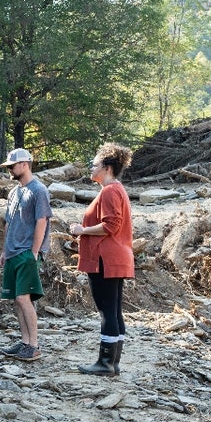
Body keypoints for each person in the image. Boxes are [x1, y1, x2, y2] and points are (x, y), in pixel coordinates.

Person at [69, 143, 134, 376]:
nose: (91, 168)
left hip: (106, 258)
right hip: (117, 256)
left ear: (107, 167)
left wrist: (81, 230)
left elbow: (110, 225)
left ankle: (105, 363)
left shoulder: (109, 191)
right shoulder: (117, 189)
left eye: (94, 164)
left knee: (108, 311)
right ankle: (112, 362)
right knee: (114, 311)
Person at [0, 148, 52, 361]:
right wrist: (4, 249)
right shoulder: (14, 192)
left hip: (26, 252)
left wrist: (34, 252)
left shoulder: (38, 190)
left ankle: (34, 346)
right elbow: (8, 222)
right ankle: (25, 342)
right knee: (17, 300)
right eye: (8, 166)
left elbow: (42, 221)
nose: (10, 169)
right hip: (12, 252)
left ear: (25, 164)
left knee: (23, 297)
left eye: (12, 166)